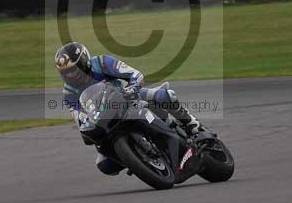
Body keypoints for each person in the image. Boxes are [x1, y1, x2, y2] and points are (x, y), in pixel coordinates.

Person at [54, 42, 204, 175]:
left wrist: (132, 87)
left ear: (84, 62)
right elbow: (80, 118)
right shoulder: (69, 94)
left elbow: (135, 74)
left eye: (73, 70)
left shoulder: (102, 63)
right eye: (65, 72)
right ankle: (137, 157)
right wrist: (86, 129)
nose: (70, 75)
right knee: (104, 164)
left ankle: (192, 124)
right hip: (104, 118)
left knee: (162, 96)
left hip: (127, 97)